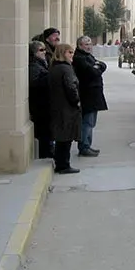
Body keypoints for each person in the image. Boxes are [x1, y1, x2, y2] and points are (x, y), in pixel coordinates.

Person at [48, 43, 82, 174]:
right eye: (69, 53)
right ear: (62, 53)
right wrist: (76, 101)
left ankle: (61, 163)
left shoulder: (54, 67)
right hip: (66, 107)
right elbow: (71, 86)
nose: (72, 55)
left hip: (58, 106)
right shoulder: (65, 68)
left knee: (61, 137)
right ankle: (64, 164)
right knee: (65, 137)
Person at [72, 36, 108, 157]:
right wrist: (97, 67)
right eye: (86, 44)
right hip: (87, 94)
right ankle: (84, 147)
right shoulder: (79, 58)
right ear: (80, 45)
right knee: (87, 122)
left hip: (94, 94)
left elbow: (102, 65)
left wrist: (98, 66)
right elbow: (94, 72)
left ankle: (87, 145)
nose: (89, 46)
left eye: (90, 44)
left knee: (91, 122)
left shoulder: (88, 57)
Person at [28, 40, 53, 160]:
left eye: (44, 49)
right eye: (41, 50)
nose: (44, 52)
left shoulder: (43, 63)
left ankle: (48, 151)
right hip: (40, 104)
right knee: (43, 132)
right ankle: (45, 154)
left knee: (47, 131)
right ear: (34, 52)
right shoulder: (34, 66)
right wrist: (49, 77)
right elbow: (34, 83)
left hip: (45, 103)